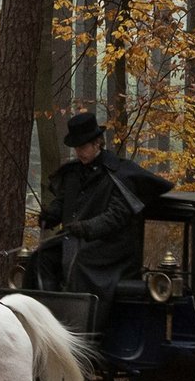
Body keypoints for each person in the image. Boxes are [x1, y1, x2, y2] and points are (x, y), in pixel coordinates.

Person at [26, 111, 173, 329]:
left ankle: (80, 330)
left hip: (111, 248)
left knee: (79, 262)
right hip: (75, 240)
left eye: (83, 147)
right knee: (41, 258)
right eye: (76, 148)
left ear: (97, 144)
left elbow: (117, 216)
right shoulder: (73, 173)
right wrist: (51, 214)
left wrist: (86, 228)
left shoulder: (119, 174)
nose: (79, 152)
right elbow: (64, 201)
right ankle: (43, 321)